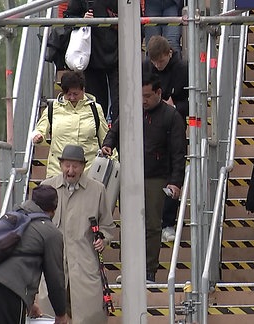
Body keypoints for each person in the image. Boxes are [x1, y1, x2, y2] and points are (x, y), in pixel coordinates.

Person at [101, 70, 186, 283]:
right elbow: (114, 131)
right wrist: (108, 145)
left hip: (156, 177)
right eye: (140, 96)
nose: (143, 100)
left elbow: (178, 153)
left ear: (158, 92)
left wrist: (175, 182)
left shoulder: (171, 116)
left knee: (151, 225)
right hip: (130, 175)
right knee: (129, 224)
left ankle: (148, 271)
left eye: (147, 96)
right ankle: (129, 268)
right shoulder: (131, 110)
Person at [0, 185, 68, 324]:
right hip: (6, 289)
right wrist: (60, 313)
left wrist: (28, 302)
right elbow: (55, 277)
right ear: (54, 209)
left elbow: (15, 260)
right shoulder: (50, 232)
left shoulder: (13, 217)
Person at [39, 144, 114, 323]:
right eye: (67, 165)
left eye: (75, 166)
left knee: (88, 316)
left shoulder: (97, 190)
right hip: (53, 265)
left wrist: (103, 238)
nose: (70, 171)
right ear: (60, 165)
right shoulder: (46, 188)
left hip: (85, 266)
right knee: (50, 316)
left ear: (83, 166)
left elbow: (108, 226)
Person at [144, 36, 189, 242]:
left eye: (160, 62)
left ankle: (168, 221)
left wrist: (174, 107)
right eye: (154, 63)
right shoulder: (147, 67)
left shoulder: (182, 68)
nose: (157, 66)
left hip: (174, 123)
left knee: (173, 172)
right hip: (151, 126)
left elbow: (191, 101)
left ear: (169, 54)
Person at [32, 71, 109, 178]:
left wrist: (114, 162)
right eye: (68, 94)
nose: (72, 98)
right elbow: (40, 129)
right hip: (57, 172)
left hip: (88, 172)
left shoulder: (95, 109)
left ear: (83, 90)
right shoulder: (53, 108)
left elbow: (106, 138)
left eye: (76, 94)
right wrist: (38, 137)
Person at [64, 0, 119, 123]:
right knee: (96, 106)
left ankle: (117, 139)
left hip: (119, 55)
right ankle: (99, 139)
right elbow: (68, 17)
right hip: (91, 56)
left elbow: (137, 18)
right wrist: (82, 20)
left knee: (120, 105)